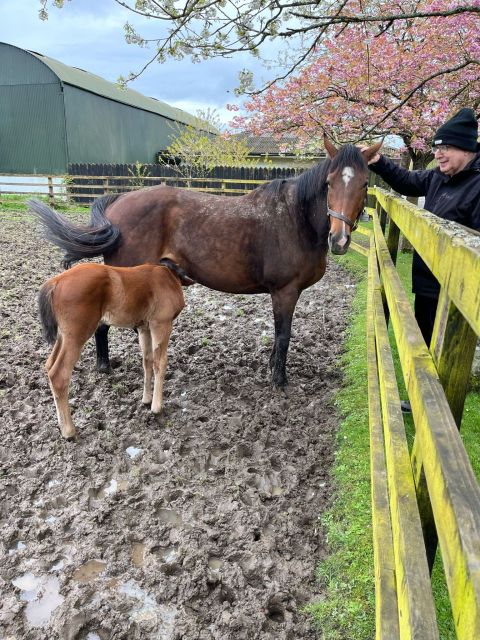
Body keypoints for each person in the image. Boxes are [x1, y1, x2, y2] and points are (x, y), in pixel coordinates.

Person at [367, 108, 480, 412]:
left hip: (456, 291)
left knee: (449, 352)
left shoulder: (477, 185)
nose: (439, 155)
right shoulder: (438, 177)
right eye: (437, 148)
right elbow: (406, 181)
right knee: (427, 345)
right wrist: (378, 162)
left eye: (446, 148)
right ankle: (422, 401)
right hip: (428, 282)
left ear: (466, 148)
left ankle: (436, 411)